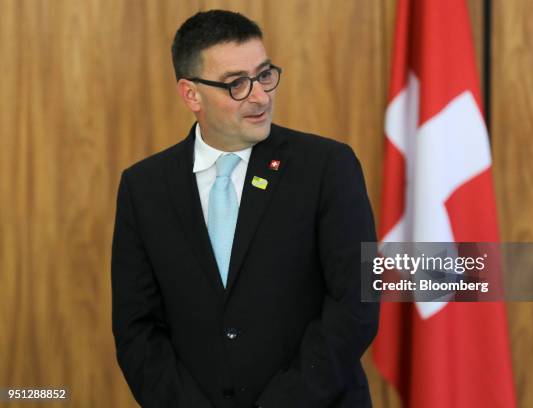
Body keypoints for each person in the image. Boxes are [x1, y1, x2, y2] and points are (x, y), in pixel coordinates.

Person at [111, 9, 378, 408]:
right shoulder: (144, 187)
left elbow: (356, 305)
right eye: (236, 83)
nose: (260, 96)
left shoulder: (328, 167)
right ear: (191, 94)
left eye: (265, 75)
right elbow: (137, 329)